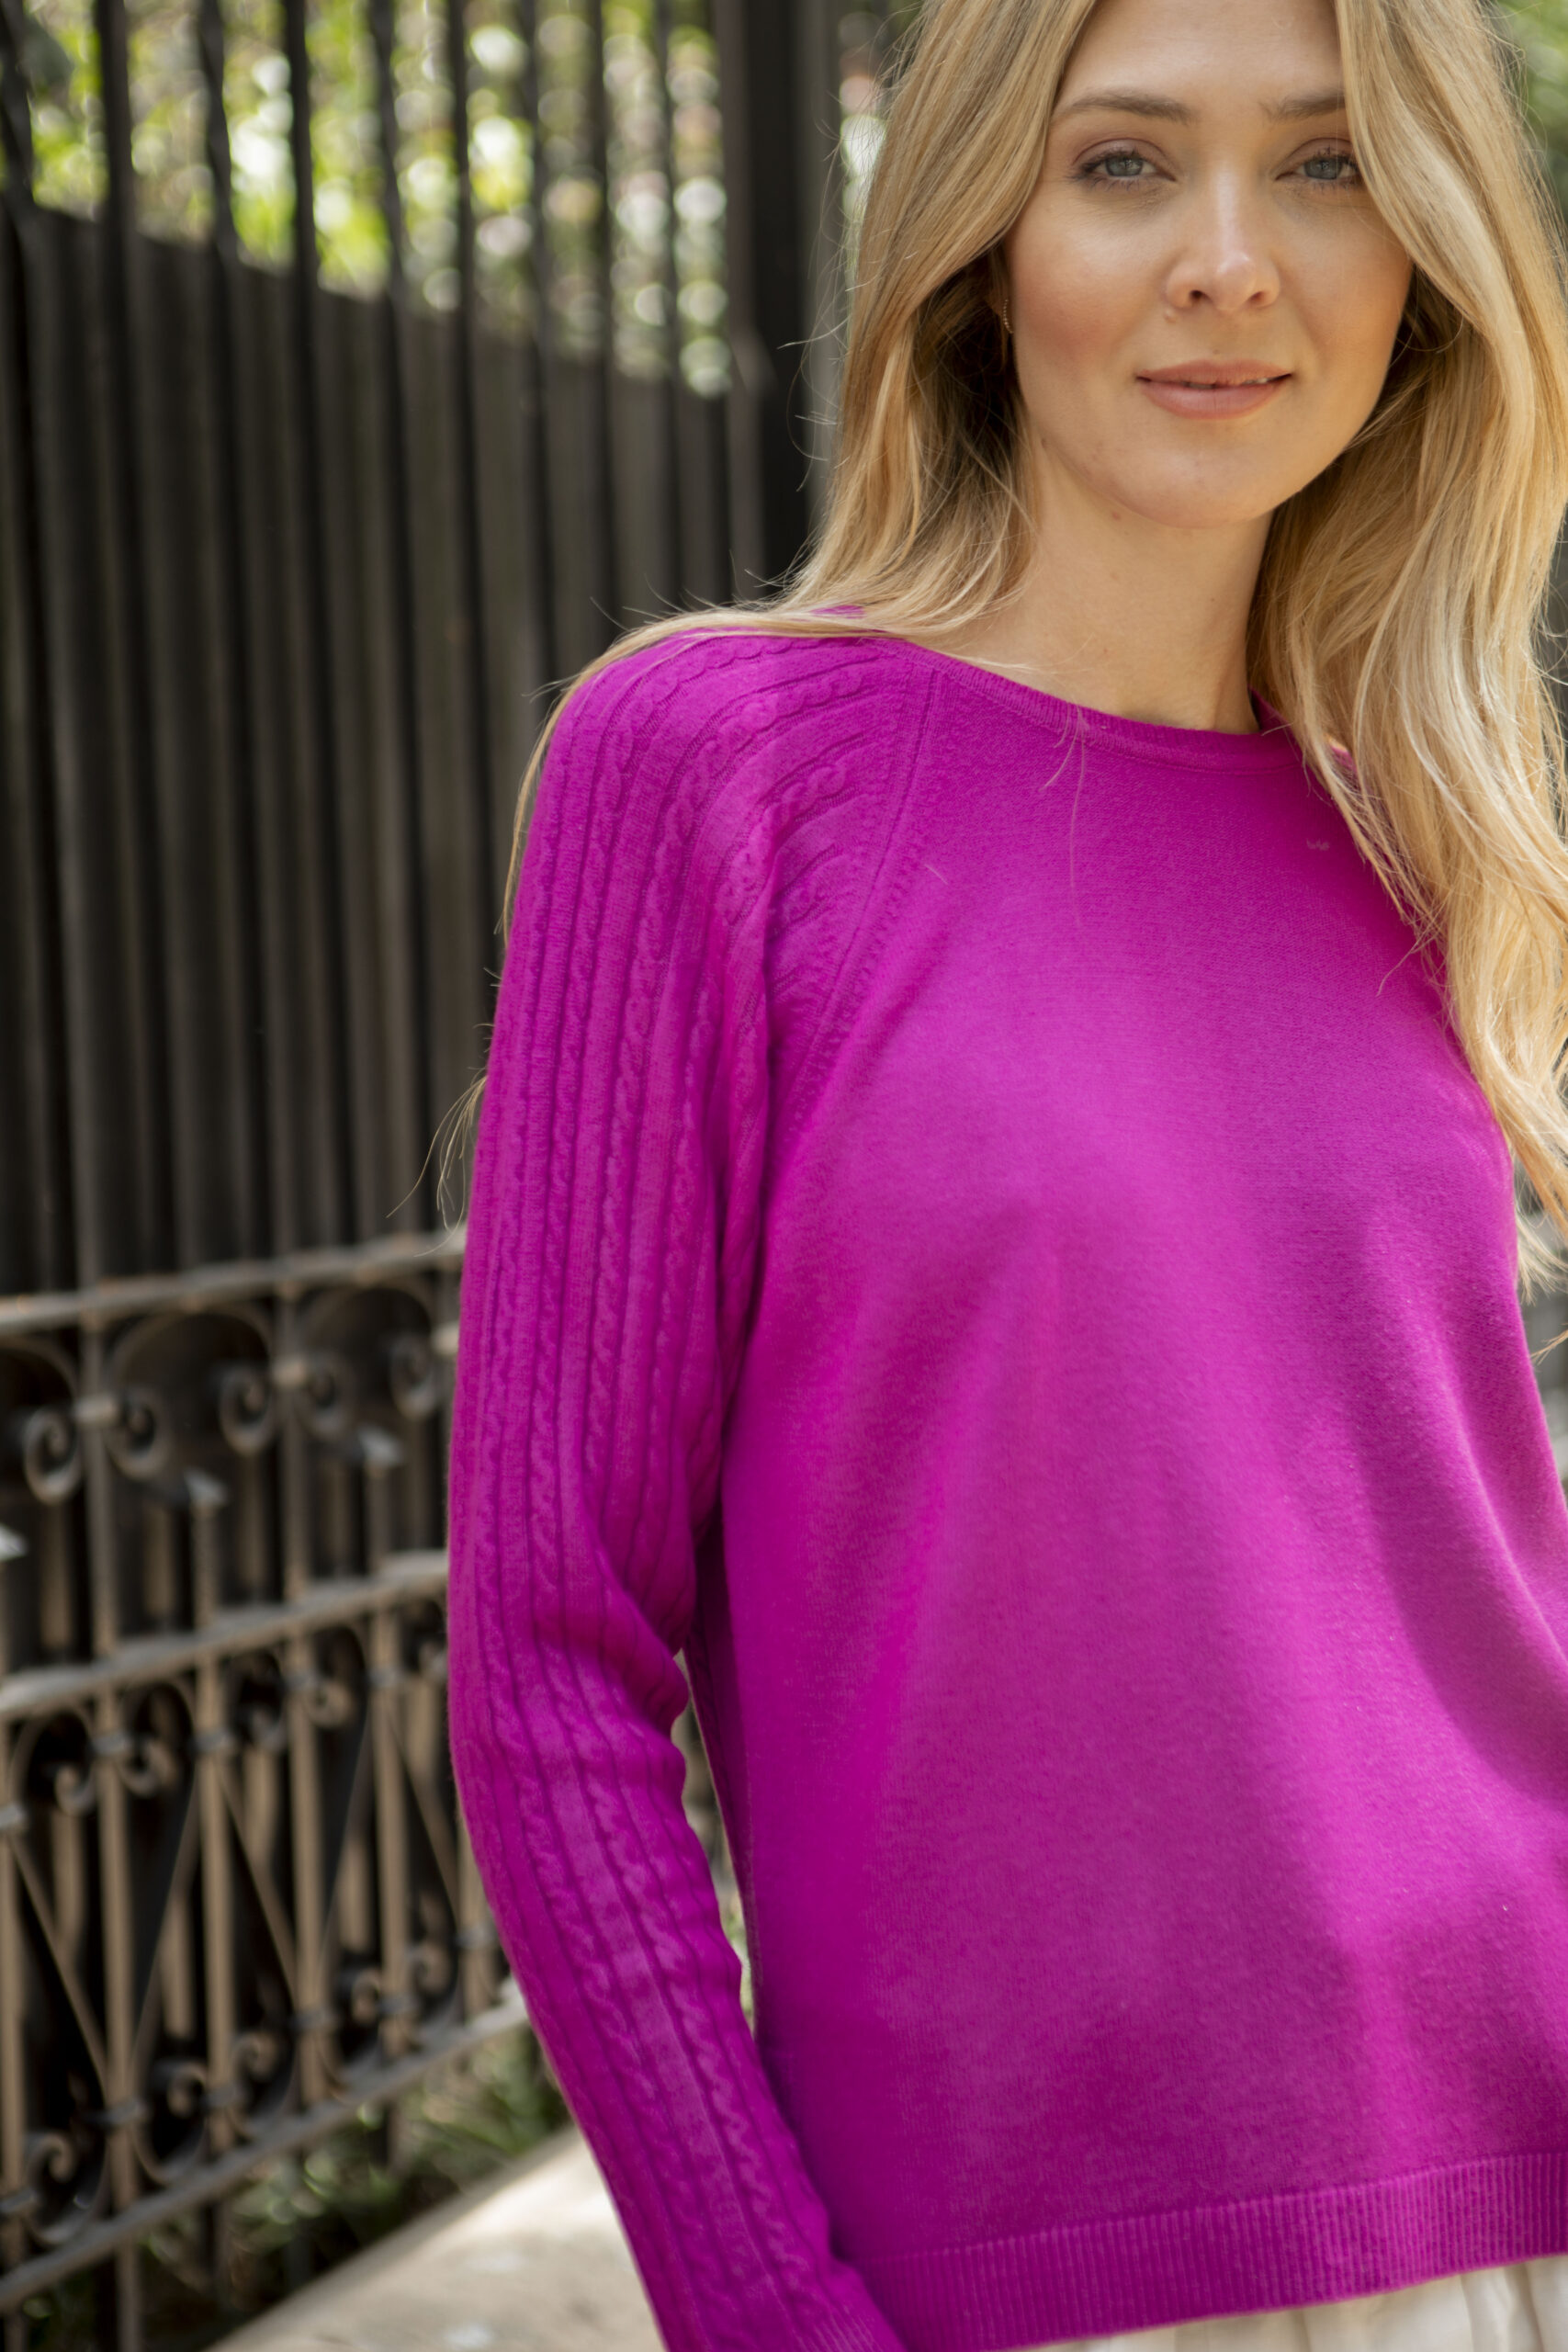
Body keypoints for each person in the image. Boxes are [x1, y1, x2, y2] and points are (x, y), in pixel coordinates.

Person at [444, 0, 1568, 2345]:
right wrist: (773, 2317)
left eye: (1327, 167)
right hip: (1016, 2265)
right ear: (982, 242)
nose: (1229, 259)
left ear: (1427, 259)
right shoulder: (717, 774)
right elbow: (550, 1663)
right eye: (1124, 163)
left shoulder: (1430, 825)